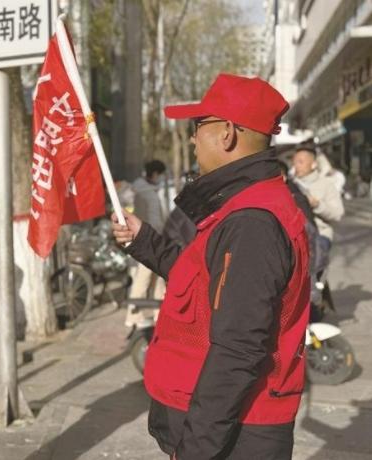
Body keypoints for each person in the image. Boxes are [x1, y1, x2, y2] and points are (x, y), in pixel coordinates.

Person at [112, 74, 310, 459]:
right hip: (222, 427)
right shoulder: (240, 208)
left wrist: (195, 451)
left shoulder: (252, 222)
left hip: (235, 434)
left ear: (228, 135)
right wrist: (144, 241)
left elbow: (238, 350)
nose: (192, 138)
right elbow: (201, 282)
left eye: (199, 126)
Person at [126, 160, 167, 326]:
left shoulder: (150, 190)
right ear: (156, 174)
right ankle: (133, 316)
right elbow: (151, 218)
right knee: (143, 279)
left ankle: (160, 315)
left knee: (159, 279)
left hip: (155, 239)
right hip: (145, 240)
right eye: (161, 175)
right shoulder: (142, 190)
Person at [292, 144, 344, 269]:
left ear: (314, 164)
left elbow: (338, 214)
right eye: (294, 163)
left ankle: (319, 281)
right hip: (295, 235)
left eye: (301, 162)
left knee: (314, 266)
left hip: (320, 235)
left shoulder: (326, 184)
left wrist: (317, 205)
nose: (296, 166)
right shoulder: (291, 184)